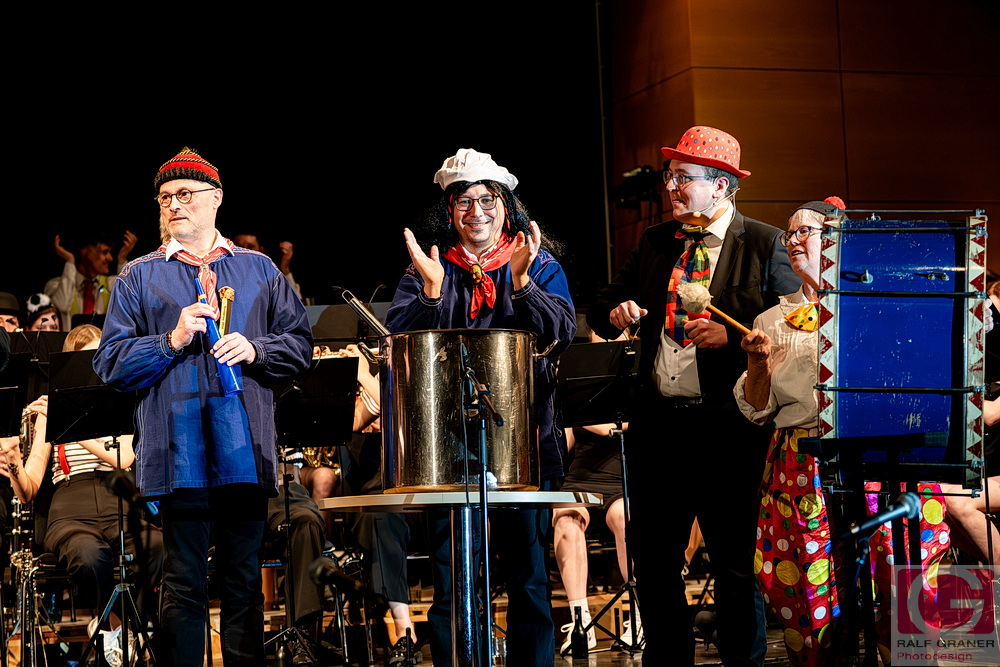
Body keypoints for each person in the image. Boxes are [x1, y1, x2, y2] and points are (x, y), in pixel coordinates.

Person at [93, 146, 313, 666]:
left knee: (243, 583)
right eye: (165, 197)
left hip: (244, 450)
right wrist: (168, 341)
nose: (174, 204)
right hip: (178, 452)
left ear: (216, 199)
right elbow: (110, 363)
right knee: (184, 584)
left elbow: (300, 346)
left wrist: (256, 349)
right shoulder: (138, 276)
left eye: (185, 194)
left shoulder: (259, 269)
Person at [587, 126, 799, 665]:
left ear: (721, 185)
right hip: (659, 427)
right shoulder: (657, 241)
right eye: (670, 176)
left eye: (683, 177)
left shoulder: (765, 243)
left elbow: (795, 328)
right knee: (655, 563)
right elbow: (602, 308)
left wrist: (735, 335)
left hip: (731, 427)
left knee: (734, 564)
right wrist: (616, 312)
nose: (671, 187)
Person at [736, 198, 953, 665]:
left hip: (878, 454)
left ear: (837, 239)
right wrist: (757, 361)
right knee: (808, 580)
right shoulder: (771, 320)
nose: (793, 241)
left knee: (901, 567)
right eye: (789, 233)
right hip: (802, 459)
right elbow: (757, 408)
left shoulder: (879, 301)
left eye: (805, 231)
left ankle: (910, 659)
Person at [385, 148, 576, 667]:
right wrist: (430, 293)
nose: (476, 212)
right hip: (447, 444)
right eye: (464, 202)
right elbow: (398, 341)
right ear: (449, 211)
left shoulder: (536, 261)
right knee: (452, 577)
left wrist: (523, 284)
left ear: (505, 206)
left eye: (487, 200)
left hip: (525, 438)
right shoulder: (430, 266)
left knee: (529, 575)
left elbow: (562, 332)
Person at [0, 324, 164, 664]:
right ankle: (114, 624)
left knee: (159, 548)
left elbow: (125, 457)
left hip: (116, 497)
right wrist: (14, 461)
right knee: (88, 557)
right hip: (71, 505)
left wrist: (70, 420)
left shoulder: (121, 401)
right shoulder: (49, 414)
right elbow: (29, 489)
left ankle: (121, 627)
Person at [45, 229, 137, 330]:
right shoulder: (56, 285)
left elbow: (129, 299)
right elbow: (62, 305)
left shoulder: (109, 284)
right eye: (104, 252)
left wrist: (122, 260)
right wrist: (70, 262)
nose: (110, 258)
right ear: (86, 252)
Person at [232, 232, 302, 299]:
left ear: (261, 250)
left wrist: (285, 268)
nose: (245, 252)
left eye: (251, 247)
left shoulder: (270, 278)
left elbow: (296, 303)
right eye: (239, 247)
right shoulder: (227, 274)